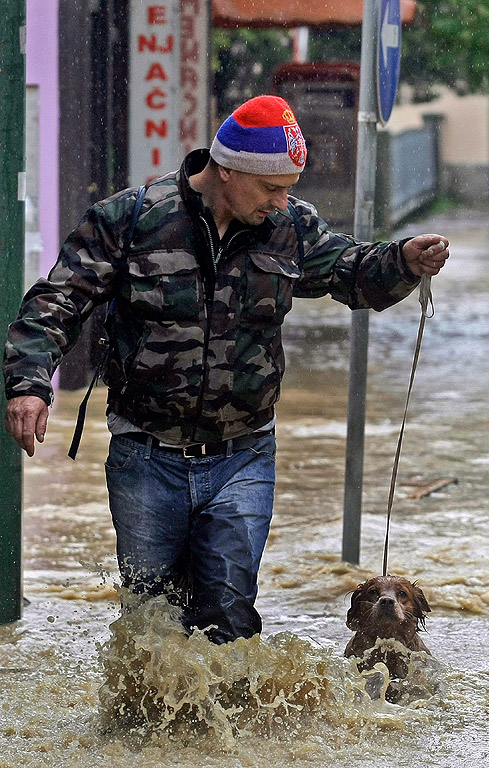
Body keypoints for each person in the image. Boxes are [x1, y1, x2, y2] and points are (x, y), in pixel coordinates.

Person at [3, 95, 450, 644]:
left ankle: (234, 730)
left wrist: (403, 259)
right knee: (151, 625)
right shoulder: (132, 218)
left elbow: (353, 272)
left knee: (230, 619)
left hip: (243, 456)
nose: (282, 202)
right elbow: (58, 299)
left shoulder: (290, 229)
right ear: (228, 170)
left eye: (289, 188)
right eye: (271, 188)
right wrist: (29, 385)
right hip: (145, 455)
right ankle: (148, 732)